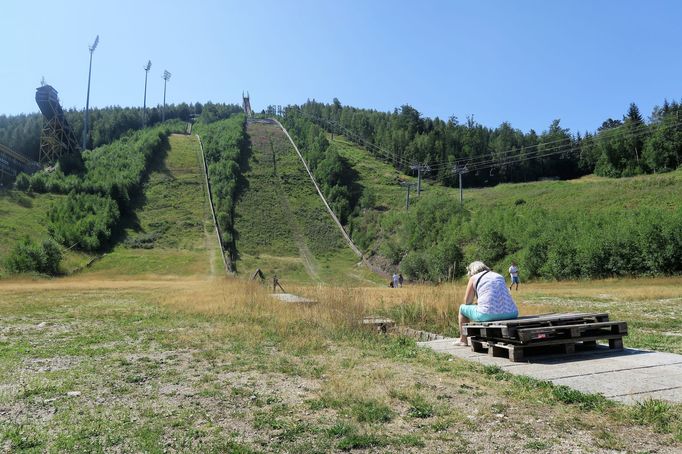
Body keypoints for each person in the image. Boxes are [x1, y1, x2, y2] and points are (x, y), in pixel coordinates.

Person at [454, 261, 518, 346]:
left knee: (462, 308)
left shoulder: (474, 278)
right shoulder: (498, 275)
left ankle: (463, 339)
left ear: (471, 271)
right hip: (512, 312)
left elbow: (467, 301)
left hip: (487, 314)